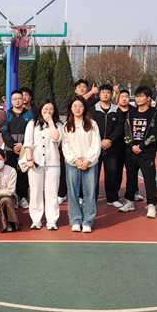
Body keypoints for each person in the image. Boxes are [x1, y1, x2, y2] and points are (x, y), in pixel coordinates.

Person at [118, 86, 157, 218]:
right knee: (131, 178)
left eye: (141, 96)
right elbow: (126, 131)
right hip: (131, 152)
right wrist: (132, 145)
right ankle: (129, 201)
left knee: (149, 179)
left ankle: (151, 205)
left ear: (148, 98)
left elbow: (154, 135)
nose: (138, 99)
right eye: (137, 96)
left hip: (147, 153)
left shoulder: (154, 114)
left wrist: (141, 146)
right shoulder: (130, 113)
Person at [63, 96, 101, 233]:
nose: (78, 109)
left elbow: (96, 143)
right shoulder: (67, 126)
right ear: (71, 108)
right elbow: (65, 145)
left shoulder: (92, 124)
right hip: (72, 163)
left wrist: (88, 160)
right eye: (75, 106)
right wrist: (76, 160)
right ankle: (75, 220)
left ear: (84, 108)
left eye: (80, 106)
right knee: (73, 193)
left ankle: (87, 221)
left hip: (90, 163)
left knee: (89, 193)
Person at [23, 99, 63, 230]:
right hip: (35, 162)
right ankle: (36, 219)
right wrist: (29, 158)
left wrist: (50, 122)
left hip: (53, 163)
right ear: (40, 109)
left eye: (51, 109)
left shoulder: (58, 124)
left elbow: (56, 138)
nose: (48, 111)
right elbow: (28, 142)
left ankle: (52, 220)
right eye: (45, 109)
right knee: (35, 191)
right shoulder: (32, 124)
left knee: (52, 192)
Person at [90, 84, 123, 208]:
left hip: (112, 147)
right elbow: (89, 128)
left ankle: (112, 198)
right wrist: (100, 142)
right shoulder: (92, 110)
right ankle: (92, 198)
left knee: (112, 173)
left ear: (111, 95)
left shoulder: (117, 110)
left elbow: (119, 128)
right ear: (99, 94)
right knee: (93, 174)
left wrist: (109, 141)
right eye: (103, 92)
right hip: (95, 147)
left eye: (108, 92)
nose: (105, 94)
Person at [1, 89, 34, 209]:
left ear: (23, 99)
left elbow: (32, 132)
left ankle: (23, 197)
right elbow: (4, 132)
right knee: (11, 173)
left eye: (20, 98)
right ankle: (13, 196)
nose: (17, 101)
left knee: (23, 173)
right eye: (14, 99)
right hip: (10, 149)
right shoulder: (6, 115)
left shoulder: (29, 115)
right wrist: (14, 145)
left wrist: (23, 145)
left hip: (25, 150)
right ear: (11, 101)